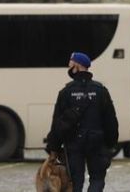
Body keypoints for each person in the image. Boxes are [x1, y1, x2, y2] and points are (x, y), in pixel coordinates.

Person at [45, 52, 118, 192]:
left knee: (75, 183)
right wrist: (110, 144)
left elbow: (57, 123)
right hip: (96, 141)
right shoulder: (101, 91)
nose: (68, 66)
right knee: (97, 179)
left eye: (70, 63)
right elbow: (110, 120)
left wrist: (53, 147)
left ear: (77, 66)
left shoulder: (66, 92)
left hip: (73, 143)